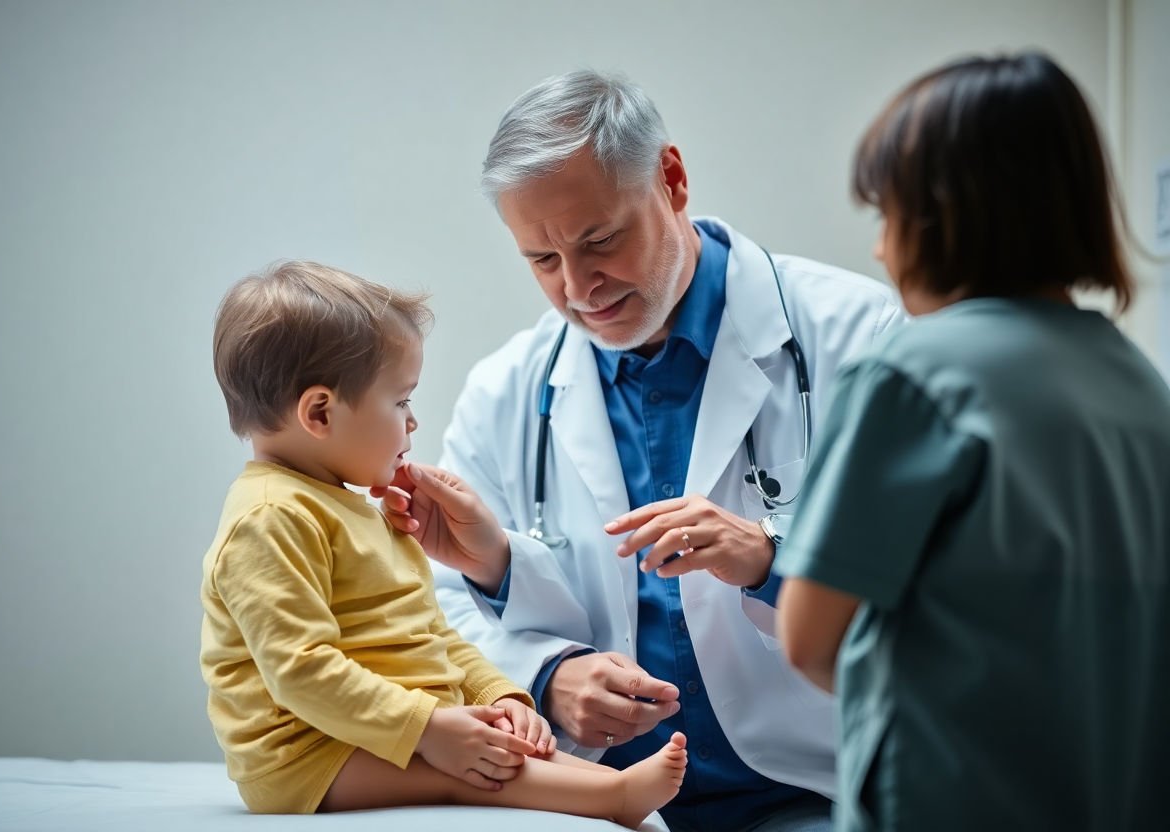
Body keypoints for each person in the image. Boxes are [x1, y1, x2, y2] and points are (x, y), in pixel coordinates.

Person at [375, 70, 902, 832]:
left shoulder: (854, 336)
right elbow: (437, 602)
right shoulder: (507, 391)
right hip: (596, 804)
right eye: (542, 261)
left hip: (815, 789)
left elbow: (933, 581)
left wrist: (768, 557)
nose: (579, 288)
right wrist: (546, 676)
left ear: (673, 179)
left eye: (600, 241)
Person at [774, 52, 1170, 830]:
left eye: (886, 217)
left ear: (944, 215)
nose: (881, 251)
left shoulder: (911, 376)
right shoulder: (1141, 388)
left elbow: (808, 638)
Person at [199, 260, 688, 825]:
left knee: (536, 759)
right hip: (309, 755)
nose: (412, 423)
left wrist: (499, 696)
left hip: (386, 729)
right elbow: (300, 670)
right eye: (400, 401)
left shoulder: (363, 510)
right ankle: (616, 798)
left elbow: (433, 637)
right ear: (320, 413)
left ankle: (611, 787)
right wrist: (428, 729)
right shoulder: (269, 520)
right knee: (480, 775)